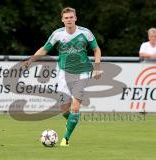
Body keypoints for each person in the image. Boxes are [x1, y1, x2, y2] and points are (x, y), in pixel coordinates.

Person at [23, 7, 101, 146]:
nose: (69, 20)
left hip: (83, 71)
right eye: (66, 18)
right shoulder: (57, 34)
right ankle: (72, 120)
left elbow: (96, 49)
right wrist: (31, 60)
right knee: (64, 109)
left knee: (75, 107)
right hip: (64, 72)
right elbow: (44, 49)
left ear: (75, 18)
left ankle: (65, 139)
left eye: (71, 17)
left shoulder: (85, 33)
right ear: (62, 20)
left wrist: (97, 67)